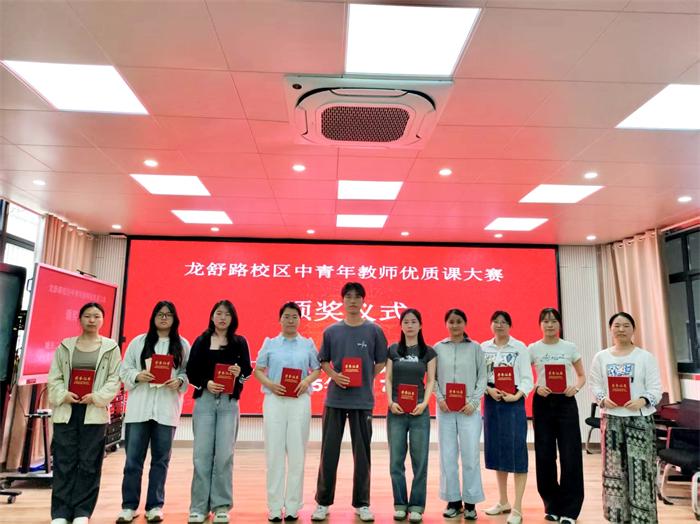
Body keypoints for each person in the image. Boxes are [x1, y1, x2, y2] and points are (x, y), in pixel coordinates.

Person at [311, 282, 388, 522]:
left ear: (363, 301)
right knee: (329, 452)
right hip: (335, 399)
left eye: (357, 297)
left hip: (362, 401)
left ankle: (362, 504)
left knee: (362, 454)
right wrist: (335, 376)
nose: (353, 301)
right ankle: (323, 502)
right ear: (342, 300)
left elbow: (381, 361)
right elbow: (323, 361)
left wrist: (365, 376)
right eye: (348, 297)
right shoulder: (331, 331)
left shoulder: (374, 330)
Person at [47, 302, 121, 524]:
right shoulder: (65, 346)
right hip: (67, 410)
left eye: (97, 316)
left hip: (94, 412)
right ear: (79, 319)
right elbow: (54, 376)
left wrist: (96, 397)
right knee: (64, 461)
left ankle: (82, 512)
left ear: (103, 320)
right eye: (87, 316)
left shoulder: (110, 348)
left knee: (90, 463)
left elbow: (114, 379)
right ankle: (60, 512)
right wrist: (63, 394)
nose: (92, 320)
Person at [117, 301, 190, 523]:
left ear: (175, 319)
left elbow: (188, 373)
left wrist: (179, 380)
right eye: (160, 314)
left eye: (168, 314)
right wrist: (138, 376)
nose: (164, 318)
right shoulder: (138, 342)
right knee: (133, 461)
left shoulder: (182, 345)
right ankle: (129, 506)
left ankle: (155, 506)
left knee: (161, 460)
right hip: (139, 410)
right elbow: (124, 370)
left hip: (166, 411)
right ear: (153, 317)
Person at [589, 312, 662, 524]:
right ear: (610, 329)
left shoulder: (645, 357)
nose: (621, 329)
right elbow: (595, 385)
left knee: (641, 472)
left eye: (626, 325)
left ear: (633, 329)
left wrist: (643, 400)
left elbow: (656, 389)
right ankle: (617, 518)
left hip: (639, 421)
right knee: (614, 472)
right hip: (611, 421)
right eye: (617, 325)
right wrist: (603, 399)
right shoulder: (601, 357)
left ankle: (642, 519)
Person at [185, 300, 252, 524]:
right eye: (219, 313)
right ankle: (198, 507)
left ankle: (221, 506)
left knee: (224, 455)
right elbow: (191, 371)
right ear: (212, 316)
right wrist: (206, 383)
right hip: (205, 401)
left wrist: (239, 371)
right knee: (201, 455)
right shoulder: (201, 340)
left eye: (227, 314)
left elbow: (247, 371)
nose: (222, 318)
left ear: (233, 319)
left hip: (228, 404)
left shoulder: (239, 342)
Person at [253, 301, 321, 522]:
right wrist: (271, 385)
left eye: (294, 317)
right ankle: (274, 506)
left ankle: (293, 506)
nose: (290, 320)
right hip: (274, 400)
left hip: (299, 401)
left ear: (300, 320)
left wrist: (306, 381)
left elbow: (317, 369)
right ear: (280, 319)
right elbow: (258, 370)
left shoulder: (307, 344)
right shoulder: (270, 343)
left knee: (297, 453)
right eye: (286, 316)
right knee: (274, 454)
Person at [529, 308, 586, 524]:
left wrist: (575, 387)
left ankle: (570, 510)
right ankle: (552, 504)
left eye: (553, 321)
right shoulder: (533, 348)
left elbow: (581, 375)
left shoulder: (569, 347)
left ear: (559, 324)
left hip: (565, 402)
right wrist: (536, 386)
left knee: (570, 454)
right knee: (545, 455)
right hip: (542, 402)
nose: (550, 325)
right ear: (540, 324)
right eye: (545, 321)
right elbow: (523, 375)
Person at [433, 308, 487, 520]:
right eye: (451, 322)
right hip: (445, 409)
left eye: (458, 321)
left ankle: (471, 503)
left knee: (470, 456)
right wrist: (440, 398)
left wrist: (474, 402)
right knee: (447, 456)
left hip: (469, 410)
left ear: (465, 324)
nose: (455, 325)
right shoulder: (438, 348)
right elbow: (431, 378)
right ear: (446, 324)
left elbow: (483, 377)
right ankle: (453, 501)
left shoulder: (475, 348)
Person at [385, 308, 437, 523]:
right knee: (396, 461)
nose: (410, 325)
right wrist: (390, 402)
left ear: (420, 325)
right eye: (406, 321)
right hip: (396, 411)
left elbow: (431, 380)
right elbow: (388, 378)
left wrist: (424, 404)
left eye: (414, 321)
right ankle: (399, 504)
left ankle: (416, 505)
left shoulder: (428, 352)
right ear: (401, 325)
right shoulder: (393, 350)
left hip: (419, 412)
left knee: (420, 461)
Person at [481, 310, 533, 524]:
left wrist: (517, 395)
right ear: (491, 325)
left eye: (503, 322)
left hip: (513, 401)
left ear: (510, 326)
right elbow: (479, 376)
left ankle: (517, 508)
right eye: (496, 321)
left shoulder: (519, 347)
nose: (499, 325)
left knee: (516, 452)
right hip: (491, 401)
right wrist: (488, 389)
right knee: (497, 451)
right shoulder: (483, 348)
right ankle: (503, 501)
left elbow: (527, 378)